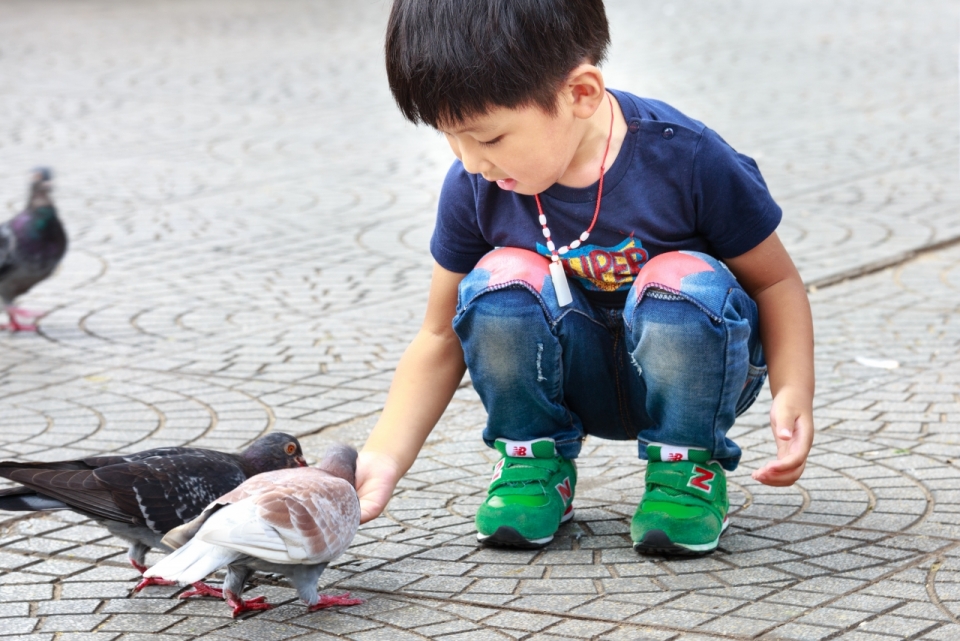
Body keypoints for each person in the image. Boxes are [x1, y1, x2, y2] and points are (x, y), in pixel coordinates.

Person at [355, 0, 814, 556]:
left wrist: (794, 390)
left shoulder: (689, 160)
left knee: (679, 278)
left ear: (580, 93)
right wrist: (382, 455)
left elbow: (775, 283)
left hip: (692, 375)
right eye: (450, 138)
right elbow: (437, 334)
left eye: (490, 138)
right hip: (568, 376)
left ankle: (685, 473)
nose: (472, 161)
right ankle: (532, 462)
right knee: (501, 279)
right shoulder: (476, 185)